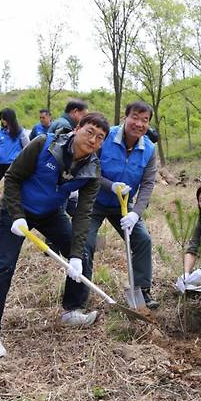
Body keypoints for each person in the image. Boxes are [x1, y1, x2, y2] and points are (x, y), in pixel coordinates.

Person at [0, 112, 109, 359]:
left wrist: (75, 255)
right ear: (77, 128)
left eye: (100, 137)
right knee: (5, 266)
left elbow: (83, 215)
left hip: (51, 213)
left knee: (82, 250)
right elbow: (13, 178)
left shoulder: (92, 171)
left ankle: (72, 310)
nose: (93, 140)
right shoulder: (43, 144)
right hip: (17, 210)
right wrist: (17, 215)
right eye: (89, 131)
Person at [83, 101, 159, 309]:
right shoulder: (106, 137)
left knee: (143, 240)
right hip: (94, 200)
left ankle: (142, 290)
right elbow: (90, 168)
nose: (139, 124)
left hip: (124, 205)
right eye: (135, 117)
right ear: (125, 117)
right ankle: (80, 296)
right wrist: (110, 185)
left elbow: (147, 184)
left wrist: (135, 214)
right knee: (86, 243)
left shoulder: (149, 149)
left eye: (145, 120)